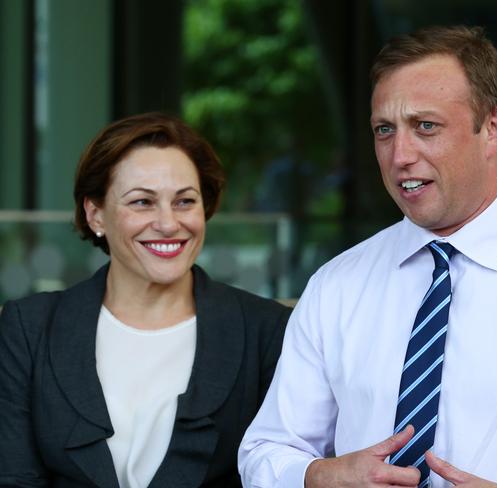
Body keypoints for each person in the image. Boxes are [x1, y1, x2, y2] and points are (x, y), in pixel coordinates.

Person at [238, 25, 497, 488]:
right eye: (384, 130)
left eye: (425, 126)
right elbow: (265, 451)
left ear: (494, 128)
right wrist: (319, 476)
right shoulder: (335, 286)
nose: (400, 156)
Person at [0, 112, 291, 487]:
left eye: (185, 201)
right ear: (95, 214)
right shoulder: (28, 328)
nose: (169, 223)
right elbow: (13, 479)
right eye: (142, 202)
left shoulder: (267, 331)